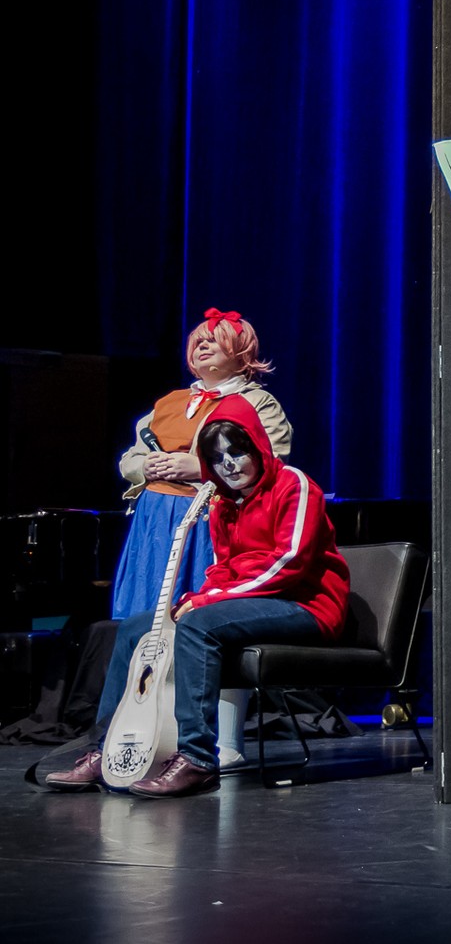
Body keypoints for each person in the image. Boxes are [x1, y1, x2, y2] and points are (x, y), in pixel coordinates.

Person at [45, 395, 350, 797]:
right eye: (217, 458)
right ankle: (106, 750)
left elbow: (288, 563)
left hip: (305, 605)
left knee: (198, 624)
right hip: (254, 603)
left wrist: (208, 603)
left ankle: (197, 759)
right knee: (136, 627)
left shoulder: (293, 484)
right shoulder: (222, 503)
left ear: (257, 445)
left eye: (237, 452)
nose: (230, 465)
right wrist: (194, 598)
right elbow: (223, 568)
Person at [112, 307, 293, 766]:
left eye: (215, 339)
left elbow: (271, 457)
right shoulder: (171, 402)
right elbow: (131, 456)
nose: (203, 346)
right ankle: (144, 734)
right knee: (147, 626)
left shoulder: (256, 402)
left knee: (210, 622)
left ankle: (222, 741)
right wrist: (147, 465)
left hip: (215, 518)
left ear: (241, 352)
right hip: (157, 524)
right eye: (198, 342)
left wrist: (197, 466)